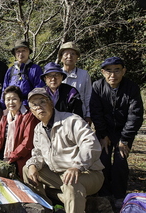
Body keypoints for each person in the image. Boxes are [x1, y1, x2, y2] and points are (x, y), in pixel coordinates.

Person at [24, 87, 104, 213]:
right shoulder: (39, 129)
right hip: (59, 175)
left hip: (88, 173)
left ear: (51, 103)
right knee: (28, 169)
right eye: (34, 105)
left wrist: (77, 166)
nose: (39, 107)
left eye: (42, 102)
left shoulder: (71, 120)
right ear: (32, 111)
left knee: (71, 184)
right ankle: (47, 208)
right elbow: (38, 153)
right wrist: (33, 164)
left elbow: (90, 144)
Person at [90, 57, 144, 208]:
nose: (113, 75)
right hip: (104, 130)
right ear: (103, 72)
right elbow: (96, 111)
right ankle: (104, 193)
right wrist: (102, 134)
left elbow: (135, 115)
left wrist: (125, 139)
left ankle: (119, 195)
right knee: (103, 159)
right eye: (109, 71)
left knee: (120, 160)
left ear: (123, 71)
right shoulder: (97, 86)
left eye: (117, 70)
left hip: (123, 131)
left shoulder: (131, 87)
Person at [0, 86, 39, 179]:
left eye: (14, 99)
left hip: (21, 159)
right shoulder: (5, 116)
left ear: (20, 100)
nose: (10, 102)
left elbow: (27, 142)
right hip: (5, 157)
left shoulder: (28, 116)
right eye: (8, 99)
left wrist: (11, 158)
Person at [0, 40, 45, 108]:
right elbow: (4, 90)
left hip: (29, 107)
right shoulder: (10, 70)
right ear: (15, 53)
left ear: (28, 52)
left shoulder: (35, 69)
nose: (21, 54)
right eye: (18, 51)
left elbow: (39, 90)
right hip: (11, 107)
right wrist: (3, 107)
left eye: (24, 50)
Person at [58, 41, 92, 125]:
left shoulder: (84, 74)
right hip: (59, 117)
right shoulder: (56, 74)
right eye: (66, 54)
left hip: (80, 116)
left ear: (77, 57)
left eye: (73, 54)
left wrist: (88, 115)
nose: (69, 56)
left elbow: (88, 96)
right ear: (61, 58)